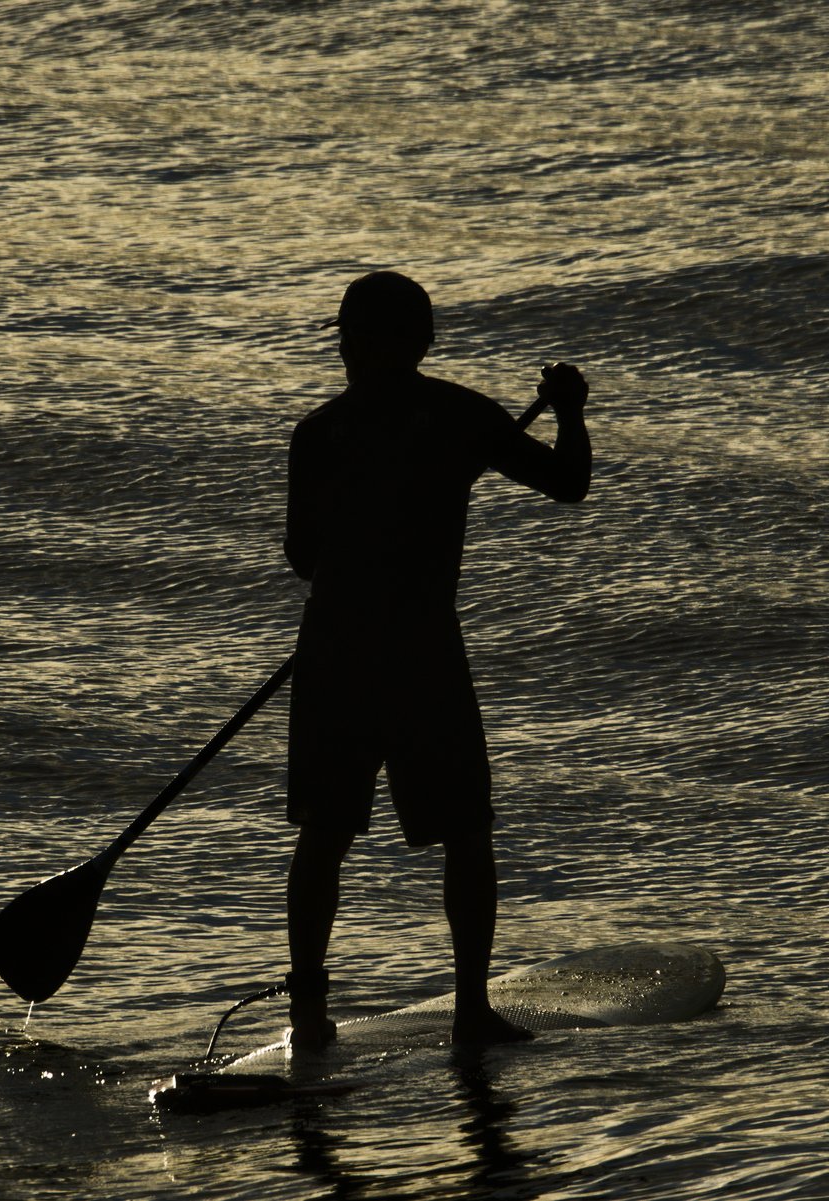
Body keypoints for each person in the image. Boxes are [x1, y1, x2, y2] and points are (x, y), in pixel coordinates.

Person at [282, 270, 591, 1046]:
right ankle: (467, 1011)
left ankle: (310, 1017)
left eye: (353, 337)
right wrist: (571, 413)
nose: (349, 351)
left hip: (335, 648)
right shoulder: (459, 418)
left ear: (382, 343)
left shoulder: (320, 432)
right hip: (420, 650)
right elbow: (569, 480)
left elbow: (301, 558)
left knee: (327, 832)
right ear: (423, 343)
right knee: (463, 832)